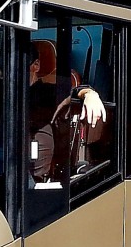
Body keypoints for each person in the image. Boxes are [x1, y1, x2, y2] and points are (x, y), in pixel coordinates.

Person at [28, 40, 106, 183]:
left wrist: (89, 94)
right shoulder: (0, 91)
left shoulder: (45, 91)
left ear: (36, 65)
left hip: (30, 175)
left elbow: (72, 94)